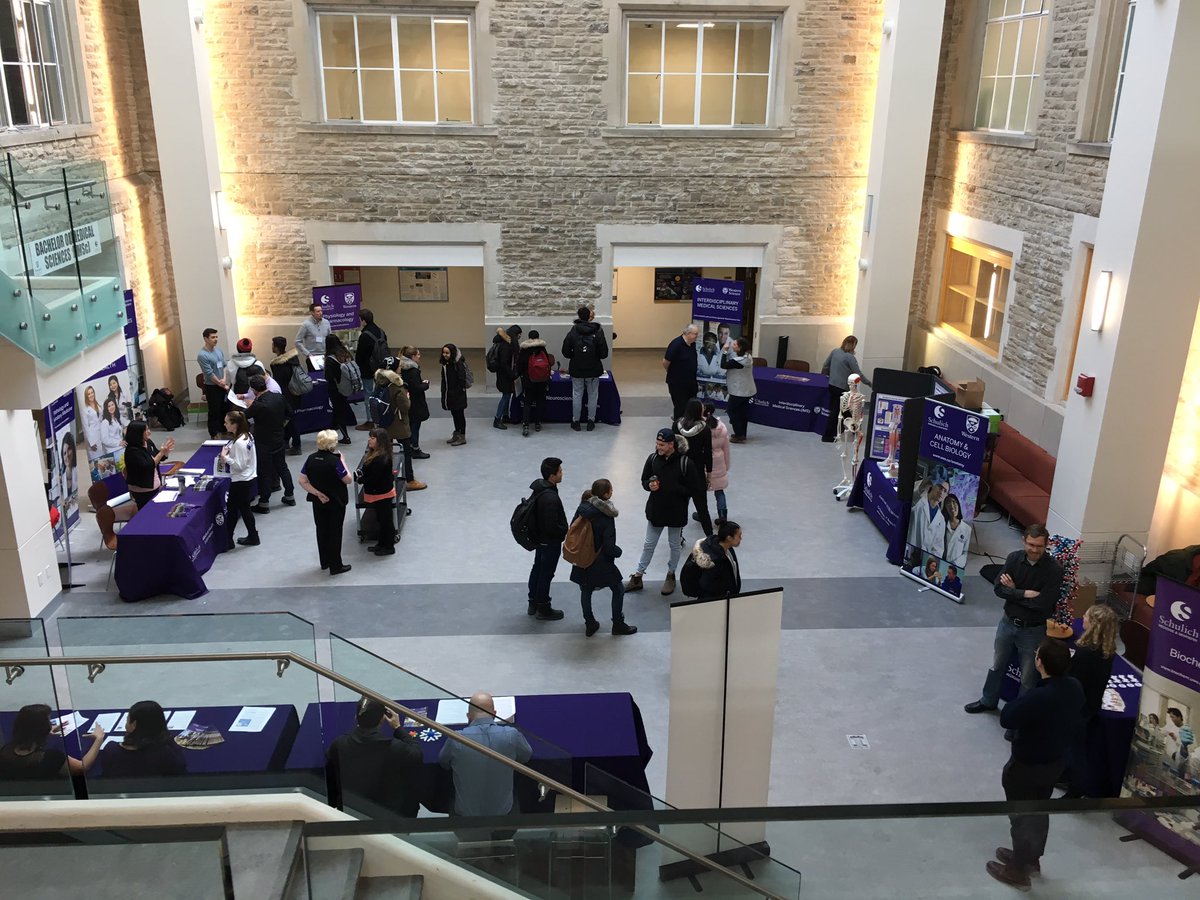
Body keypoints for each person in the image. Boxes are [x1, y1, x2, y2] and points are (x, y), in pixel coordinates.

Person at [986, 639, 1084, 890]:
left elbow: (1007, 717)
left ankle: (1018, 871)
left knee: (1021, 816)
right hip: (1054, 762)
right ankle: (1031, 858)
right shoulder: (1073, 687)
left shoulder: (1040, 696)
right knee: (1039, 811)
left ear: (1039, 662)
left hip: (1027, 765)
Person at [965, 524, 1064, 714]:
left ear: (1046, 545)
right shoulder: (1013, 559)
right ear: (1024, 541)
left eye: (1039, 546)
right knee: (997, 665)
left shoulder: (1054, 571)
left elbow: (1043, 604)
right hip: (1007, 623)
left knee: (1028, 678)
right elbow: (998, 589)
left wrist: (1013, 592)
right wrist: (1025, 593)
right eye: (1031, 544)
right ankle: (988, 700)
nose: (1034, 550)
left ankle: (1019, 717)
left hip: (1033, 631)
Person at [624, 428, 706, 596]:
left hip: (676, 511)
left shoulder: (685, 463)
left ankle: (671, 574)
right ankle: (638, 575)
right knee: (649, 544)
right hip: (656, 510)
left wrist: (673, 488)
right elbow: (644, 480)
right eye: (657, 443)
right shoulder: (653, 459)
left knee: (674, 545)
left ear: (671, 445)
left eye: (661, 444)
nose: (658, 447)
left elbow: (695, 489)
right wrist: (649, 485)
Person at [438, 691, 532, 817]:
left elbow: (444, 763)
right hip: (505, 819)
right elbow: (525, 756)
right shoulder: (512, 735)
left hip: (464, 821)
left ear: (468, 716)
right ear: (494, 714)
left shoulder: (456, 739)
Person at [327, 698, 422, 817]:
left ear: (356, 718)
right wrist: (398, 728)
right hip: (390, 812)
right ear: (382, 719)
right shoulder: (394, 747)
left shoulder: (339, 744)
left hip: (352, 810)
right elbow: (417, 754)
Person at [568, 479, 637, 637]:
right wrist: (618, 552)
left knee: (586, 589)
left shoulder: (582, 508)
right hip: (600, 562)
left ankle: (589, 623)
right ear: (606, 494)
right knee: (618, 589)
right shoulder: (606, 516)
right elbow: (609, 547)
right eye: (611, 490)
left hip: (582, 558)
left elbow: (573, 528)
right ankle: (618, 624)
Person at [1063, 604, 1119, 797]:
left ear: (1093, 624)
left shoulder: (1086, 653)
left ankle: (1076, 789)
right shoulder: (1107, 650)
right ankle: (1067, 776)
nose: (1082, 618)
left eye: (1086, 616)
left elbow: (1073, 681)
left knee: (1075, 749)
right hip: (1090, 704)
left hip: (1078, 708)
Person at [299, 429, 353, 575]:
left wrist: (317, 493)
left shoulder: (311, 459)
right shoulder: (335, 461)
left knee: (321, 530)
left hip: (318, 501)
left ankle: (325, 562)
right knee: (335, 531)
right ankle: (336, 565)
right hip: (336, 502)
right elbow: (347, 479)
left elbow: (302, 480)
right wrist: (343, 461)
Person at [0, 704, 105, 779]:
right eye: (48, 722)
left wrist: (43, 732)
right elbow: (83, 767)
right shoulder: (52, 758)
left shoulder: (5, 751)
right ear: (43, 728)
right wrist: (99, 739)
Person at [98, 700, 188, 778]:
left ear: (134, 725)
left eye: (127, 720)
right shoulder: (167, 754)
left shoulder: (111, 750)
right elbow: (181, 769)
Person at [526, 457, 568, 621]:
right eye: (560, 471)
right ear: (552, 475)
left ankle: (533, 601)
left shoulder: (540, 489)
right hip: (549, 541)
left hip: (540, 540)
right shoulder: (550, 498)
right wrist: (563, 531)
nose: (562, 473)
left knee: (538, 568)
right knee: (546, 573)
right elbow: (552, 526)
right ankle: (543, 606)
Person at [245, 374, 295, 512]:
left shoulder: (258, 404)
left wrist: (249, 404)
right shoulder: (279, 397)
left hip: (263, 442)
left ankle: (264, 503)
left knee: (264, 472)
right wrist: (282, 425)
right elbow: (290, 413)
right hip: (279, 438)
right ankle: (290, 495)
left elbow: (245, 415)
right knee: (282, 468)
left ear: (254, 390)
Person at [374, 358, 426, 491]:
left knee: (385, 451)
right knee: (406, 451)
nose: (401, 368)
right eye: (399, 366)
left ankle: (386, 479)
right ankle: (410, 480)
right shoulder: (397, 385)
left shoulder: (379, 382)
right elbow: (405, 406)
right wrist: (407, 398)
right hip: (398, 423)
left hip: (383, 423)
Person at [561, 306, 609, 431]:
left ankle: (576, 421)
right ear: (589, 316)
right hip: (594, 369)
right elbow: (604, 354)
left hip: (576, 368)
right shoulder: (598, 331)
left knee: (577, 395)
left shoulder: (573, 330)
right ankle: (590, 421)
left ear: (578, 316)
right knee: (593, 395)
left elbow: (565, 351)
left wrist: (574, 356)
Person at [220, 410, 260, 548]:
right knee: (243, 508)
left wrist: (225, 457)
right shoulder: (247, 436)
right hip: (248, 477)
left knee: (234, 510)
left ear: (234, 424)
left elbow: (239, 466)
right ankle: (252, 536)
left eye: (227, 422)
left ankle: (229, 540)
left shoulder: (240, 443)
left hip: (242, 480)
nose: (224, 425)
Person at [674, 398, 713, 537]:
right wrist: (709, 474)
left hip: (680, 470)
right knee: (703, 509)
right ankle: (710, 538)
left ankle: (677, 537)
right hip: (697, 472)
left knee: (680, 507)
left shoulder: (676, 425)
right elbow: (708, 453)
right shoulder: (705, 430)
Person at [821, 335, 870, 443]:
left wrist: (829, 376)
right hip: (842, 388)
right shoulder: (850, 357)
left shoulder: (835, 352)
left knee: (836, 410)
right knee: (848, 410)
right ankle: (853, 432)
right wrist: (869, 383)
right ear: (854, 345)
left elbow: (825, 365)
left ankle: (830, 434)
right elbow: (858, 374)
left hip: (832, 386)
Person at [357, 427, 398, 556]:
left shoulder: (381, 459)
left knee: (385, 520)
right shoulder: (375, 454)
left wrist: (361, 479)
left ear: (380, 441)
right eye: (369, 437)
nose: (369, 440)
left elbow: (373, 478)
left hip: (382, 493)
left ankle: (389, 546)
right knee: (380, 519)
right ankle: (381, 543)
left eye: (373, 438)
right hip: (377, 492)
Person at [123, 421, 175, 509]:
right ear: (138, 433)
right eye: (146, 430)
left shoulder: (148, 442)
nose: (149, 432)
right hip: (143, 490)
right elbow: (148, 466)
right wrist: (162, 452)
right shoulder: (132, 451)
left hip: (155, 484)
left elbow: (158, 457)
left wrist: (165, 452)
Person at [690, 520, 743, 599]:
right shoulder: (716, 561)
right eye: (739, 536)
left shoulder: (728, 548)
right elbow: (706, 584)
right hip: (716, 602)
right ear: (729, 538)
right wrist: (724, 593)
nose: (741, 538)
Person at [269, 335, 304, 455]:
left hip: (286, 395)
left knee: (290, 420)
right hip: (295, 393)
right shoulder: (294, 359)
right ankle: (287, 441)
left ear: (276, 347)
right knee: (290, 419)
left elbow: (279, 382)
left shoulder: (277, 364)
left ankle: (296, 444)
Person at [355, 308, 388, 427]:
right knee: (381, 392)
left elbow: (360, 356)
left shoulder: (364, 336)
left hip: (368, 369)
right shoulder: (381, 331)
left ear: (363, 320)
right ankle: (382, 416)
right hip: (382, 367)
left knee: (368, 394)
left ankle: (370, 420)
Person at [517, 329, 553, 437]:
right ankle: (537, 423)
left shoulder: (524, 349)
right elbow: (548, 363)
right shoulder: (542, 348)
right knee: (540, 401)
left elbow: (521, 364)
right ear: (538, 337)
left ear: (529, 337)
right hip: (541, 380)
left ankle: (526, 425)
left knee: (527, 402)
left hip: (529, 380)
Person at [720, 335, 756, 443]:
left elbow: (723, 365)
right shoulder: (748, 357)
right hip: (747, 390)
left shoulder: (738, 361)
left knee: (732, 411)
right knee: (742, 412)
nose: (732, 345)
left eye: (734, 344)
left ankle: (738, 434)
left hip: (739, 391)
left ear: (739, 348)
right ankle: (742, 433)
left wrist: (725, 351)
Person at [398, 346, 431, 458]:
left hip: (407, 399)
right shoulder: (413, 370)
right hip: (415, 401)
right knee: (415, 425)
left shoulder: (402, 367)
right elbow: (417, 387)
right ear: (412, 356)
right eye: (418, 354)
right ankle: (415, 449)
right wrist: (425, 384)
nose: (419, 356)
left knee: (410, 424)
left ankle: (410, 446)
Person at [663, 324, 700, 420]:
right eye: (695, 334)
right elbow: (666, 362)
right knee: (680, 406)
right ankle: (678, 425)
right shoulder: (676, 344)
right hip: (677, 383)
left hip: (690, 381)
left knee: (691, 404)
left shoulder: (692, 344)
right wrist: (671, 371)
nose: (697, 336)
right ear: (687, 333)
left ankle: (689, 422)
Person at [198, 327, 229, 439]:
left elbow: (224, 366)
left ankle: (223, 429)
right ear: (206, 339)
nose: (215, 339)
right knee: (214, 411)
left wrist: (224, 379)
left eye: (216, 337)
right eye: (213, 337)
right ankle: (214, 433)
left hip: (222, 384)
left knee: (223, 408)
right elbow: (209, 373)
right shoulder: (202, 355)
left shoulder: (219, 351)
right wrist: (221, 384)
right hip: (212, 387)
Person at [324, 334, 355, 445]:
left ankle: (346, 436)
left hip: (335, 388)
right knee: (341, 409)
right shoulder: (344, 353)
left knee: (338, 411)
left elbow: (328, 377)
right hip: (346, 386)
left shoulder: (330, 359)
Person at [703, 401, 731, 525]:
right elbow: (726, 448)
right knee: (719, 491)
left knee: (701, 490)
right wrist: (726, 465)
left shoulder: (700, 427)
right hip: (719, 461)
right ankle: (723, 514)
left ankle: (702, 513)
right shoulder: (721, 427)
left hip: (705, 461)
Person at [490, 324, 522, 430]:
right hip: (505, 375)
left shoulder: (503, 343)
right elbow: (504, 363)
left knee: (506, 394)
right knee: (506, 396)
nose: (519, 337)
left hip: (503, 374)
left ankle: (505, 416)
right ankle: (497, 419)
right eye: (519, 335)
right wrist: (512, 375)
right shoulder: (507, 346)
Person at [440, 343, 470, 446]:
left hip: (458, 395)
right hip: (450, 394)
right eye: (443, 352)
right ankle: (457, 433)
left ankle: (462, 436)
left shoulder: (458, 364)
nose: (445, 355)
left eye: (447, 353)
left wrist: (455, 392)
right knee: (455, 414)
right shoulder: (446, 364)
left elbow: (461, 380)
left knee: (460, 415)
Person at [907, 479, 946, 558]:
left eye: (945, 491)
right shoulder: (919, 501)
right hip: (907, 549)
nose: (941, 492)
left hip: (925, 559)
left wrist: (929, 560)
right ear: (933, 485)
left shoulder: (941, 520)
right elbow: (911, 497)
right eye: (940, 487)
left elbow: (938, 547)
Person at [296, 301, 331, 369]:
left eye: (321, 311)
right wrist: (308, 354)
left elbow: (330, 338)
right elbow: (297, 341)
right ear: (312, 313)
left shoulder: (326, 323)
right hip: (313, 357)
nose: (320, 313)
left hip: (325, 356)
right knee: (315, 377)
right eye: (318, 311)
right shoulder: (306, 325)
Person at [943, 493, 971, 568]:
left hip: (956, 566)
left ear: (958, 505)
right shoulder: (942, 524)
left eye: (954, 502)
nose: (952, 505)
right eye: (948, 503)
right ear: (945, 507)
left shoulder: (967, 529)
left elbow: (966, 552)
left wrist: (955, 564)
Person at [81, 385, 103, 456]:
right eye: (88, 394)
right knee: (97, 456)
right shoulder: (85, 410)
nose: (91, 395)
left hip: (102, 433)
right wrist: (91, 442)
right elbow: (86, 427)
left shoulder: (99, 405)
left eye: (92, 392)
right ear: (86, 396)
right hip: (93, 436)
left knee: (105, 454)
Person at [59, 433, 78, 500]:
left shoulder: (78, 470)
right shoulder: (62, 478)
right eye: (64, 453)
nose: (67, 455)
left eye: (69, 449)